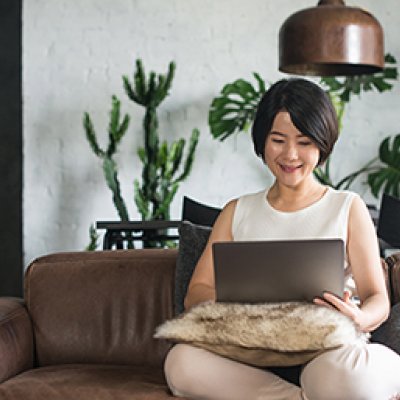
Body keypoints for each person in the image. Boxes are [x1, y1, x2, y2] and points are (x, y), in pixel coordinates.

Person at [164, 78, 400, 400]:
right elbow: (197, 294)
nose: (290, 154)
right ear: (262, 141)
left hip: (326, 354)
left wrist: (359, 317)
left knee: (351, 377)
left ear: (322, 144)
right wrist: (241, 300)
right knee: (181, 363)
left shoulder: (347, 207)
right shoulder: (237, 211)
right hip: (249, 354)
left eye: (304, 142)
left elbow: (378, 299)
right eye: (278, 140)